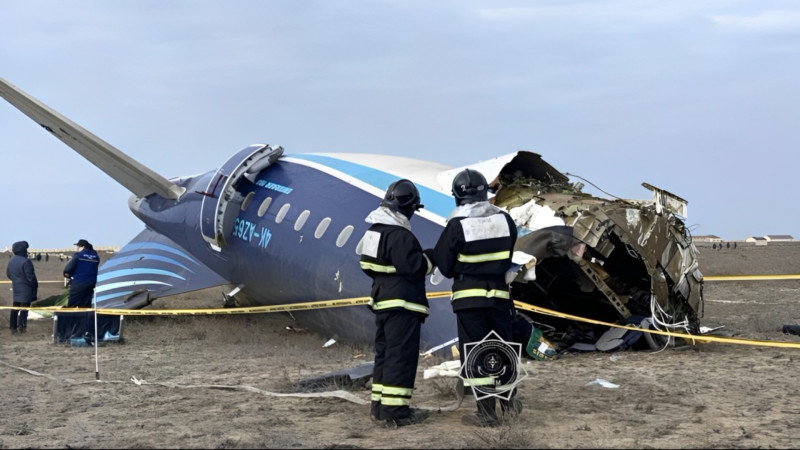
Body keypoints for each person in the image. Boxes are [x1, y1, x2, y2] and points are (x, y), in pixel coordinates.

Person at [426, 168, 522, 427]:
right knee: (503, 350)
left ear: (457, 196)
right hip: (500, 298)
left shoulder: (457, 225)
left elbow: (445, 266)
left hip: (470, 301)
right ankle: (510, 404)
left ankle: (487, 414)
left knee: (477, 354)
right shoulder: (505, 220)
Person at [358, 179, 433, 427]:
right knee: (401, 357)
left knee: (385, 355)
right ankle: (396, 412)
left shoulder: (374, 231)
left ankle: (379, 407)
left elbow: (366, 266)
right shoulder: (400, 235)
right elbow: (414, 267)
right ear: (410, 207)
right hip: (403, 305)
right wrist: (431, 258)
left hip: (382, 303)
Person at [6, 240, 38, 334]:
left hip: (16, 288)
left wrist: (16, 280)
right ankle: (22, 326)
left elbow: (8, 274)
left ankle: (13, 328)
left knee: (15, 308)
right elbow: (31, 277)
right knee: (24, 309)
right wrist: (35, 286)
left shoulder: (11, 260)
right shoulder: (26, 261)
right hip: (26, 288)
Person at [63, 239, 100, 307]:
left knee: (72, 305)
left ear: (83, 247)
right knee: (85, 305)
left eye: (78, 246)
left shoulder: (78, 256)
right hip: (91, 283)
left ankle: (71, 317)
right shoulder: (96, 257)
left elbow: (68, 269)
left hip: (78, 282)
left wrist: (69, 275)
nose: (77, 248)